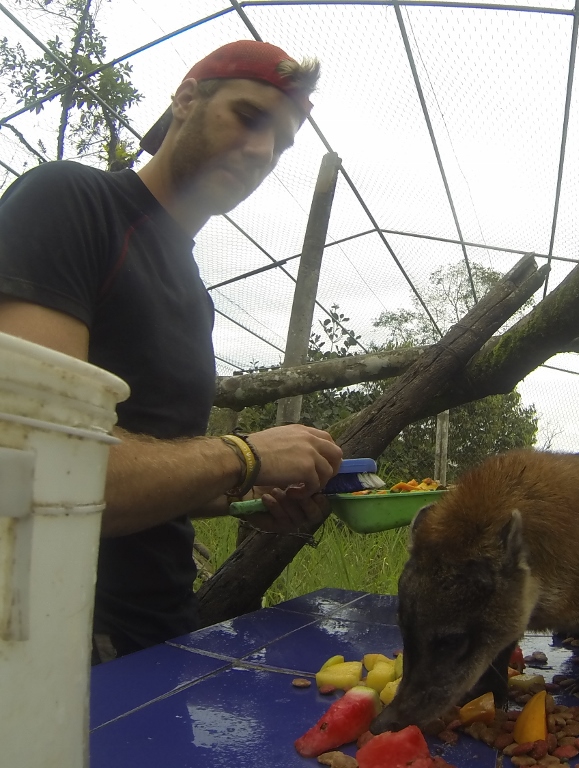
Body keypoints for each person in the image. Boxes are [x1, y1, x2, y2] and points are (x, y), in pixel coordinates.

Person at [0, 40, 344, 663]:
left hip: (157, 635)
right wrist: (242, 454)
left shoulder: (190, 288)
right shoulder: (72, 203)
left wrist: (250, 491)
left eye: (282, 144)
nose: (264, 151)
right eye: (249, 117)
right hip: (60, 641)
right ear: (187, 98)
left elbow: (152, 465)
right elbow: (39, 467)